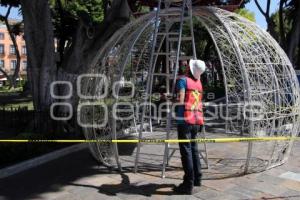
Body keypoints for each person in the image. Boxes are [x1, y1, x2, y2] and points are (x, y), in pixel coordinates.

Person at [173, 59, 206, 195]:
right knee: (194, 149)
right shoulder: (198, 83)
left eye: (188, 65)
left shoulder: (183, 80)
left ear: (190, 69)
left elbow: (180, 100)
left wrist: (166, 98)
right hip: (197, 120)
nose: (185, 66)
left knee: (186, 152)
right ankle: (197, 178)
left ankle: (188, 184)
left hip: (185, 120)